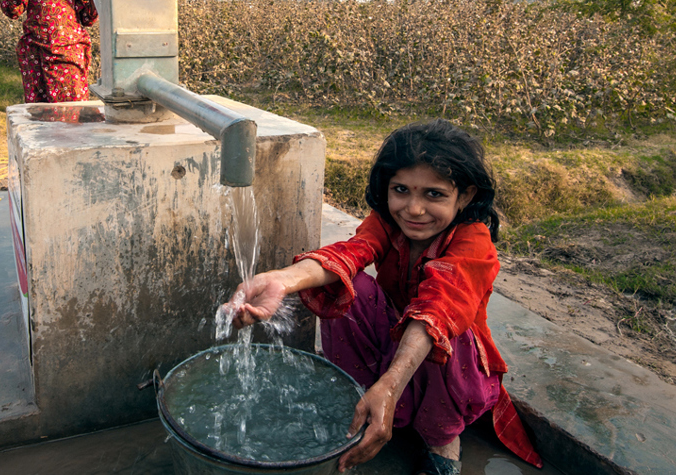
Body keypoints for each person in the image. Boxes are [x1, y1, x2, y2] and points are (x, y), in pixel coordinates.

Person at [226, 120, 542, 474]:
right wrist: (282, 280)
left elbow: (437, 309)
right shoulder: (385, 223)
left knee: (449, 333)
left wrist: (390, 386)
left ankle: (442, 441)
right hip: (396, 339)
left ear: (465, 196)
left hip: (448, 360)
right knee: (351, 288)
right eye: (401, 190)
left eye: (434, 194)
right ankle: (362, 398)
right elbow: (350, 253)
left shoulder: (473, 242)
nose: (414, 209)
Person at [0, 0, 98, 103]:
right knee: (39, 113)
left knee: (72, 111)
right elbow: (12, 10)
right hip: (37, 57)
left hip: (68, 55)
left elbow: (89, 16)